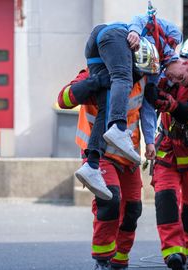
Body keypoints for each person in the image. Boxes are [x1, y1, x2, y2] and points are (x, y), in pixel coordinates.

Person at [74, 4, 182, 201]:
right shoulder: (173, 39)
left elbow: (148, 110)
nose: (175, 80)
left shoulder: (156, 73)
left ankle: (91, 165)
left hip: (97, 51)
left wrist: (149, 141)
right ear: (182, 62)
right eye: (180, 77)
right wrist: (133, 30)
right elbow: (144, 19)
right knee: (122, 78)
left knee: (105, 105)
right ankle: (118, 127)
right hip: (111, 34)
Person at [58, 65, 156, 269]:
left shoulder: (142, 81)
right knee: (109, 201)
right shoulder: (92, 72)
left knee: (133, 209)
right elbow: (64, 100)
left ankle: (120, 260)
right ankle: (102, 260)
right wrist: (94, 82)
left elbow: (146, 110)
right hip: (99, 154)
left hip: (128, 157)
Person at [144, 35, 188, 270]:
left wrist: (172, 106)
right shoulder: (169, 79)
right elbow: (150, 87)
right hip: (167, 152)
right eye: (187, 58)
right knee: (166, 200)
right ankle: (173, 252)